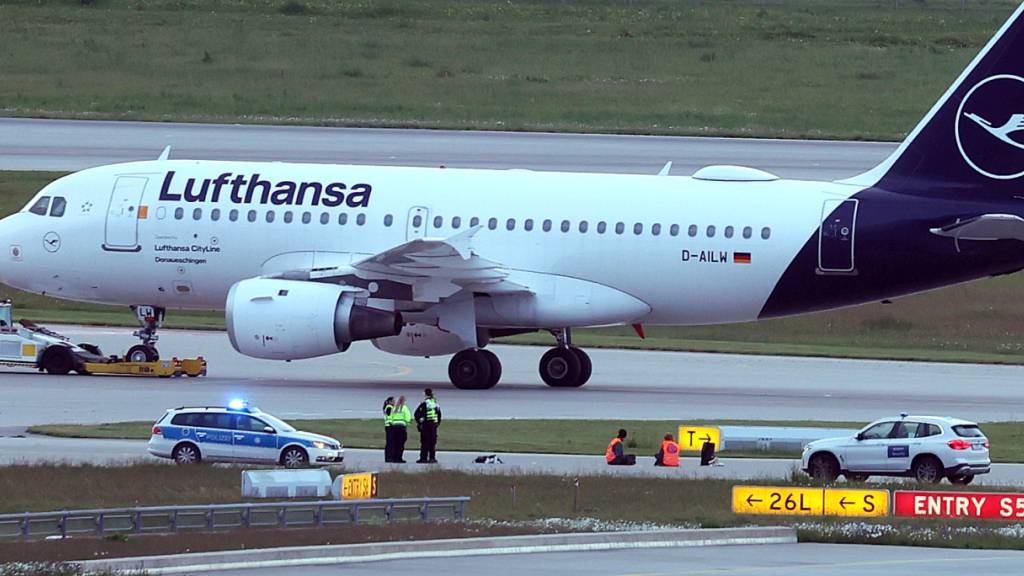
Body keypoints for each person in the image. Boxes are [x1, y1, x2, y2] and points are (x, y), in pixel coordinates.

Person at [415, 388, 441, 463]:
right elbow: (439, 414)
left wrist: (420, 422)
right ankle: (432, 458)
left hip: (426, 425)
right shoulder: (435, 403)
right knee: (432, 442)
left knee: (424, 441)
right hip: (433, 425)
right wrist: (437, 423)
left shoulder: (424, 403)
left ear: (425, 394)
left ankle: (423, 458)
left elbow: (417, 414)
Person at [390, 395, 412, 463]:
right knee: (401, 443)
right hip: (401, 426)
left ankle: (394, 458)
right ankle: (399, 458)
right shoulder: (404, 408)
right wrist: (407, 422)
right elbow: (408, 417)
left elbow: (391, 416)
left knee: (395, 443)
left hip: (394, 426)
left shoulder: (394, 408)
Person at [382, 396, 395, 463]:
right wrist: (391, 423)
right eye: (393, 401)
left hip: (388, 426)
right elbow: (389, 416)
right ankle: (388, 457)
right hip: (389, 426)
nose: (394, 402)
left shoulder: (389, 407)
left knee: (390, 442)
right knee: (390, 442)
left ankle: (389, 457)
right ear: (390, 402)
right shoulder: (389, 407)